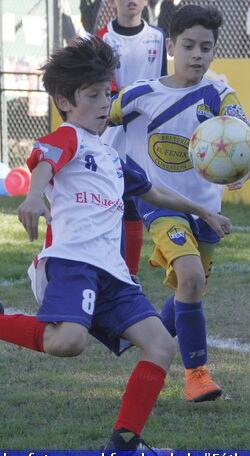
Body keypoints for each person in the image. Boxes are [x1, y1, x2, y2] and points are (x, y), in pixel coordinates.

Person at [0, 36, 232, 450]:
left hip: (111, 273)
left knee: (160, 344)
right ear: (65, 101)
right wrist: (34, 196)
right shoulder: (68, 136)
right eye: (93, 95)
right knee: (68, 342)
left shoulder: (111, 157)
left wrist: (203, 211)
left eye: (107, 93)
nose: (105, 103)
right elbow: (45, 162)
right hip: (73, 262)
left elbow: (154, 192)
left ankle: (125, 444)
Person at [109, 4, 250, 402]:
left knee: (188, 290)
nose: (197, 55)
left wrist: (245, 169)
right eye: (188, 46)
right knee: (189, 277)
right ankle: (197, 375)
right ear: (170, 46)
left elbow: (246, 139)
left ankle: (142, 335)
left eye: (205, 48)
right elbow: (93, 119)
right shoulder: (140, 95)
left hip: (207, 210)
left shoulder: (221, 94)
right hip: (160, 205)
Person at [97, 0, 167, 278]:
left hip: (145, 137)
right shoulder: (103, 38)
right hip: (112, 132)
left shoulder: (158, 37)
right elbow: (106, 87)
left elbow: (162, 84)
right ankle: (107, 269)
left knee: (134, 204)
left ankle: (131, 275)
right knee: (110, 204)